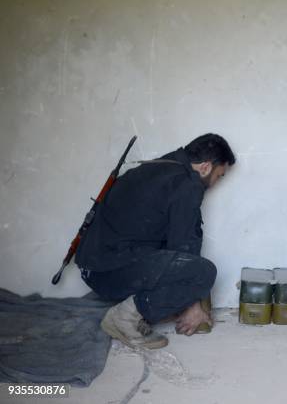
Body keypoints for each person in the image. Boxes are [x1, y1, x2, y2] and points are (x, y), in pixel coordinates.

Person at [76, 133, 235, 349]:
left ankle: (145, 309)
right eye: (219, 175)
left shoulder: (160, 167)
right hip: (108, 273)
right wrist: (194, 303)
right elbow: (184, 249)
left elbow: (182, 238)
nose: (216, 183)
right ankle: (123, 318)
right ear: (206, 167)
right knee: (204, 273)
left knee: (181, 264)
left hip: (94, 267)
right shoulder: (188, 185)